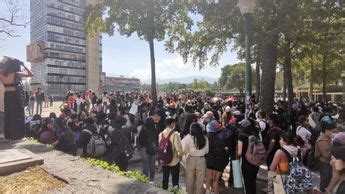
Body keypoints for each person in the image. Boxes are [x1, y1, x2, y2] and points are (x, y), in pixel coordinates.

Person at [0, 57, 33, 140]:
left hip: (7, 95)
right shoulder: (16, 73)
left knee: (9, 115)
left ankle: (9, 135)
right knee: (18, 115)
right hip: (15, 95)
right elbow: (30, 74)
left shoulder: (2, 73)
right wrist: (24, 66)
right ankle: (18, 136)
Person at [182, 122, 209, 194]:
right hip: (201, 159)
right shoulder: (205, 138)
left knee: (190, 179)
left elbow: (183, 150)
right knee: (200, 180)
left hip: (191, 158)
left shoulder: (188, 138)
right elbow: (207, 151)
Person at [315, 115, 339, 192]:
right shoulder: (322, 141)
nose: (334, 133)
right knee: (325, 181)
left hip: (327, 163)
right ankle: (322, 191)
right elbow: (327, 155)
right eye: (333, 131)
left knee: (327, 179)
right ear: (326, 131)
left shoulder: (327, 137)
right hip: (324, 164)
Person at [138, 109, 162, 181]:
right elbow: (158, 137)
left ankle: (145, 179)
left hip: (145, 148)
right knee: (152, 165)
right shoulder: (156, 127)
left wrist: (142, 146)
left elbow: (140, 138)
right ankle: (151, 179)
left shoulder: (144, 127)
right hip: (153, 147)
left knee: (145, 165)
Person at [159, 117, 183, 190]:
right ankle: (175, 191)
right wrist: (180, 155)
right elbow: (178, 148)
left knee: (165, 177)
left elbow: (160, 147)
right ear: (172, 123)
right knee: (175, 178)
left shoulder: (161, 134)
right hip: (174, 160)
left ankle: (164, 190)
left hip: (164, 159)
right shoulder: (175, 134)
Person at [205, 120, 228, 194]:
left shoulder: (207, 137)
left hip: (209, 160)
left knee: (208, 177)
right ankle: (216, 192)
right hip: (219, 161)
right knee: (216, 179)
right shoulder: (223, 137)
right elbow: (224, 150)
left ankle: (207, 191)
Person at [237, 119, 260, 194]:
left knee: (247, 184)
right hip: (255, 163)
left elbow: (239, 152)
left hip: (246, 163)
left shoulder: (241, 136)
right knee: (253, 182)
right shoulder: (255, 135)